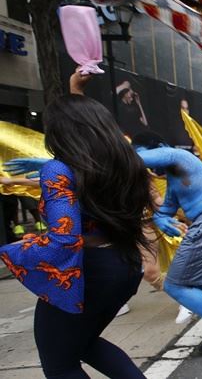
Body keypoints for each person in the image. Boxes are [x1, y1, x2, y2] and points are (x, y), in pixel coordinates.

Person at [0, 71, 149, 378]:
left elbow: (63, 239)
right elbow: (86, 131)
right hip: (125, 265)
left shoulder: (57, 169)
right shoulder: (125, 161)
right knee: (84, 343)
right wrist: (74, 93)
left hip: (88, 274)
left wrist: (17, 250)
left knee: (60, 364)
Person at [130, 131, 202, 352]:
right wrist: (160, 218)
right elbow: (166, 209)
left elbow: (133, 160)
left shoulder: (178, 156)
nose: (148, 165)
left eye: (144, 154)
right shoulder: (174, 178)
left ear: (160, 147)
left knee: (175, 285)